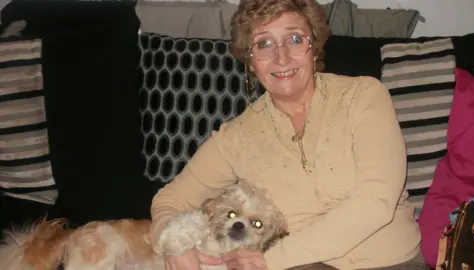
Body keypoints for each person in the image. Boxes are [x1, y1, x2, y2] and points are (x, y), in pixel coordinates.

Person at [149, 0, 426, 269]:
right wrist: (176, 245)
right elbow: (169, 200)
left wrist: (273, 260)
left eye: (294, 39)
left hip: (392, 262)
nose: (281, 57)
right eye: (264, 44)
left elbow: (376, 201)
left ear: (314, 46)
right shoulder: (236, 137)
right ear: (250, 60)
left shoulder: (364, 96)